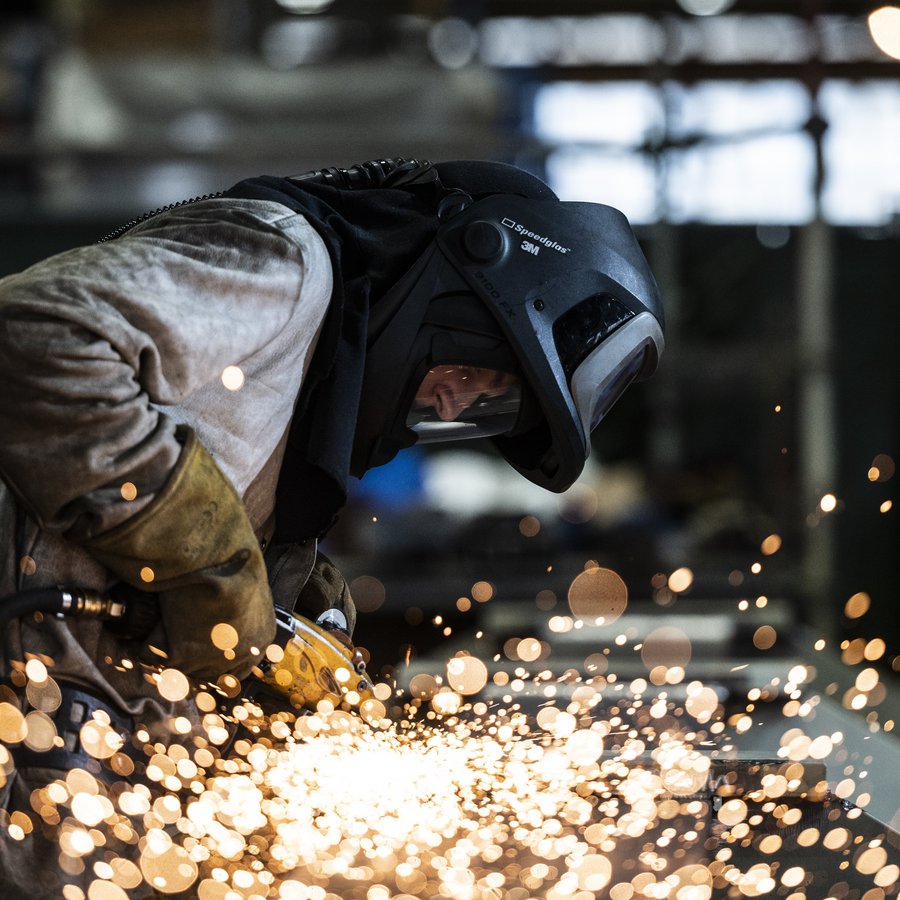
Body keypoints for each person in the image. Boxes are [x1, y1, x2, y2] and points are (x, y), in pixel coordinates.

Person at [0, 158, 663, 894]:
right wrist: (201, 550)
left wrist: (280, 592)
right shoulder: (287, 264)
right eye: (486, 374)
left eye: (489, 403)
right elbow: (38, 339)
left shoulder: (318, 368)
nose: (451, 407)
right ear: (468, 296)